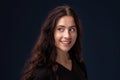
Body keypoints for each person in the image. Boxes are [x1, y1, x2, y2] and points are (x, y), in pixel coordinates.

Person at [21, 5, 87, 80]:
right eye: (60, 29)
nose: (67, 36)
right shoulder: (42, 74)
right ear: (51, 32)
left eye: (72, 29)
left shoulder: (79, 64)